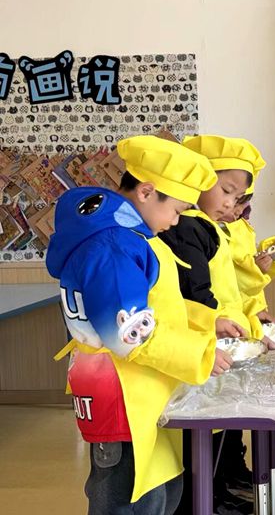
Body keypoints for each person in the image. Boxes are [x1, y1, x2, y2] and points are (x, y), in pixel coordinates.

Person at [46, 135, 229, 515]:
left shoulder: (131, 236)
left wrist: (210, 322)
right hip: (121, 394)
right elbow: (128, 334)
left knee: (160, 491)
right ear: (146, 192)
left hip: (143, 389)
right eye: (176, 210)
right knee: (129, 497)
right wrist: (199, 354)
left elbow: (154, 307)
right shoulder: (113, 245)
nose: (176, 221)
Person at [160, 135, 267, 515]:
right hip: (202, 340)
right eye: (225, 190)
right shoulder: (188, 227)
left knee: (218, 425)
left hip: (218, 337)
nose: (229, 203)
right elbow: (196, 291)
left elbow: (231, 287)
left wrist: (250, 318)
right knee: (202, 430)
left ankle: (217, 492)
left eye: (237, 197)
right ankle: (204, 501)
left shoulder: (210, 226)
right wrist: (221, 326)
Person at [222, 191, 275, 327]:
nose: (239, 211)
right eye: (236, 202)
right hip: (232, 319)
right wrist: (255, 270)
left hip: (254, 311)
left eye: (244, 203)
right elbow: (226, 285)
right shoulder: (211, 233)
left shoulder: (241, 223)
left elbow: (248, 259)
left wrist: (269, 258)